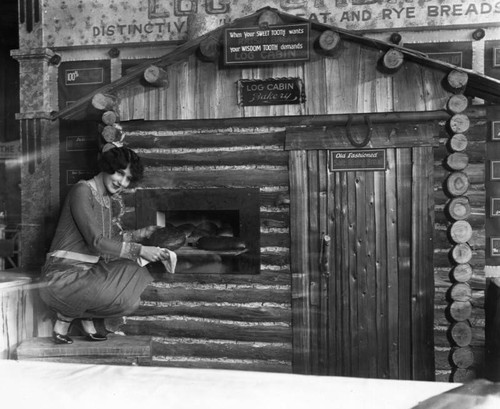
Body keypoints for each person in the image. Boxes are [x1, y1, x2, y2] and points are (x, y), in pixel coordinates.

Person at [39, 143, 169, 344]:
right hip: (61, 276)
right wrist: (140, 249)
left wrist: (141, 234)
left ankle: (80, 315)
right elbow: (96, 241)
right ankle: (65, 320)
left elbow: (109, 244)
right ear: (107, 166)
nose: (123, 183)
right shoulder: (82, 190)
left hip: (87, 274)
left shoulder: (107, 201)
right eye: (119, 174)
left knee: (131, 298)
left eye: (128, 179)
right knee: (128, 274)